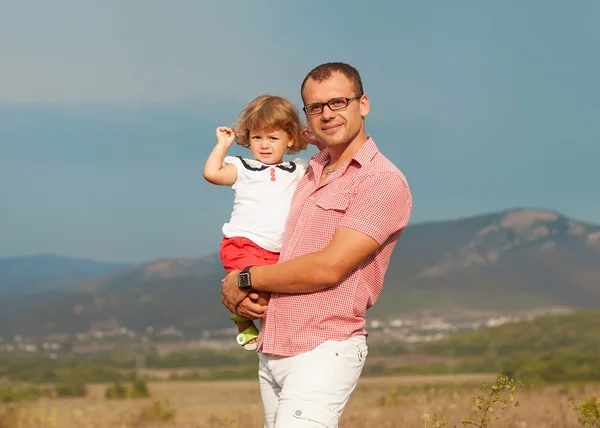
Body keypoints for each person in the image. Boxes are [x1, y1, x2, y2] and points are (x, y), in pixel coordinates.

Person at [221, 62, 413, 427]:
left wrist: (244, 279)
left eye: (338, 102)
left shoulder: (380, 182)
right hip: (274, 347)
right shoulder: (307, 171)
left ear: (364, 104)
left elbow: (328, 267)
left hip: (323, 347)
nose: (327, 114)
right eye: (315, 107)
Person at [204, 94, 318, 350]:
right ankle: (241, 322)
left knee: (270, 299)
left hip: (280, 250)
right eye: (257, 137)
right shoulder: (243, 167)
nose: (264, 145)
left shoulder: (298, 169)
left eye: (273, 138)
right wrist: (223, 145)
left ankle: (278, 337)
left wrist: (313, 138)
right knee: (251, 293)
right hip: (244, 242)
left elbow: (327, 168)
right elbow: (212, 173)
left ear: (290, 138)